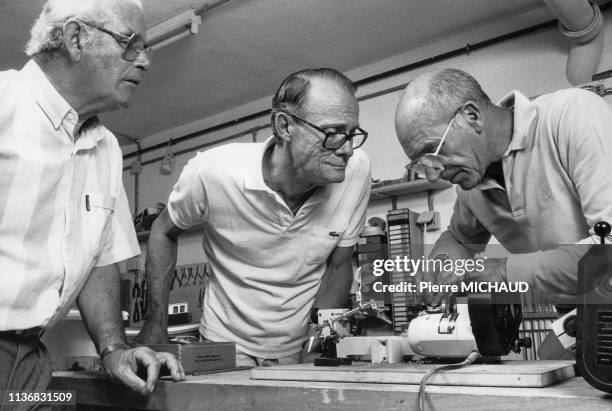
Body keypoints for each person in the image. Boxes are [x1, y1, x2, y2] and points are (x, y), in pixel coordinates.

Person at [0, 0, 184, 406]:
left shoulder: (108, 148)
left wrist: (113, 348)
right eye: (131, 43)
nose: (146, 60)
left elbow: (98, 257)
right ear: (75, 37)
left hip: (28, 363)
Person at [136, 68, 371, 366]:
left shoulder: (356, 172)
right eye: (333, 134)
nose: (348, 149)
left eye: (352, 133)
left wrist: (319, 341)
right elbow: (163, 230)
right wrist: (155, 324)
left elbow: (339, 268)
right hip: (223, 346)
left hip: (300, 348)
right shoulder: (212, 172)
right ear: (285, 126)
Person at [394, 68, 612, 306]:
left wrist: (503, 270)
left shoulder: (573, 115)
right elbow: (459, 240)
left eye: (433, 152)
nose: (433, 175)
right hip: (575, 314)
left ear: (472, 116)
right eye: (422, 165)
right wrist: (442, 263)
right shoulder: (470, 184)